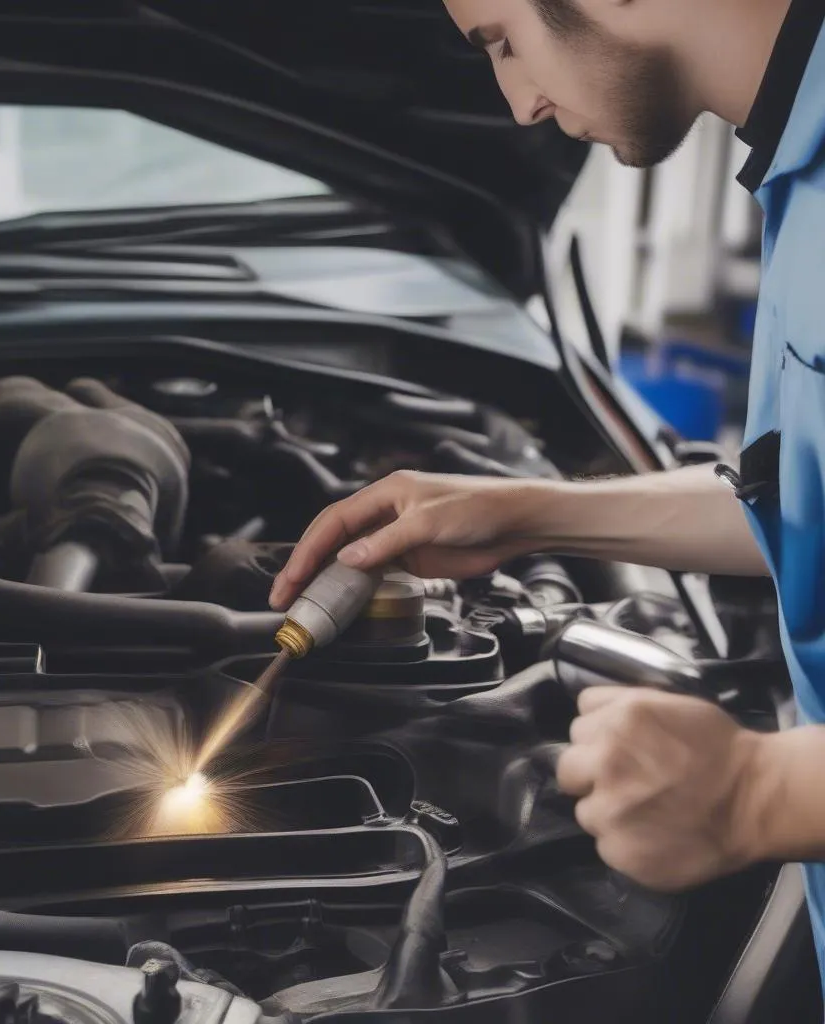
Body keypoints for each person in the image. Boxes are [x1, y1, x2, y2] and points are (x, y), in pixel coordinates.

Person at [268, 0, 825, 988]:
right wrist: (526, 512)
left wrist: (757, 792)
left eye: (499, 40)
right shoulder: (796, 172)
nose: (517, 103)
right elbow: (802, 504)